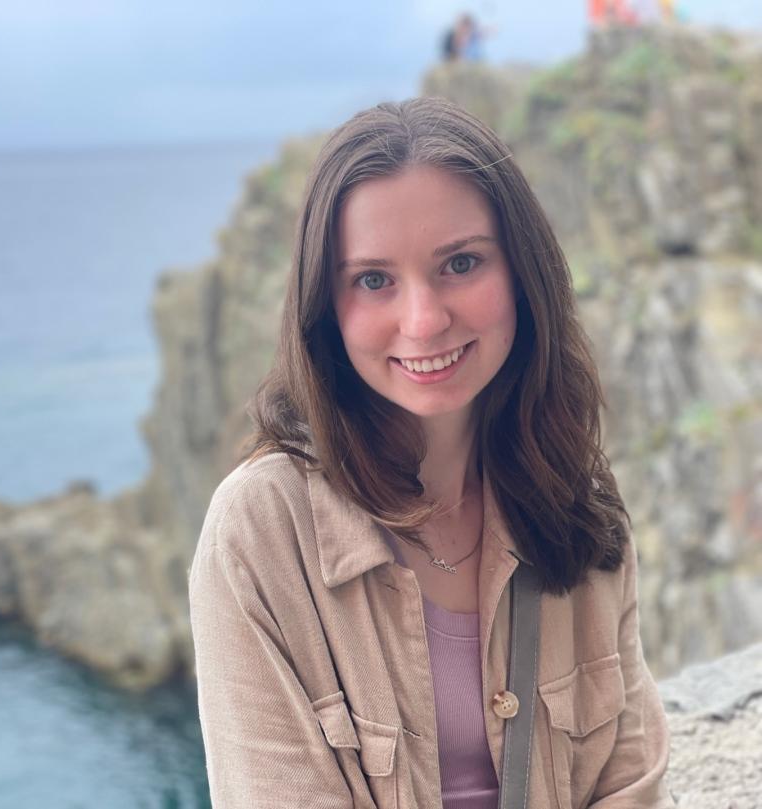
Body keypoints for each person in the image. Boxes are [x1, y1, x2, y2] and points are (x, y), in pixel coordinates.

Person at [188, 97, 673, 808]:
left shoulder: (577, 502)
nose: (423, 321)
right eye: (373, 280)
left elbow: (630, 782)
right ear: (326, 306)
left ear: (523, 274)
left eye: (461, 263)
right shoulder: (260, 531)